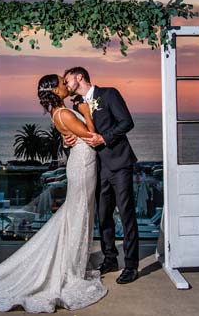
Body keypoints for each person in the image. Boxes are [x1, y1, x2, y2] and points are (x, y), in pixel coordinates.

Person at [0, 74, 107, 312]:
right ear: (55, 90)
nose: (65, 84)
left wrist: (69, 136)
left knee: (78, 214)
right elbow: (92, 138)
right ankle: (69, 267)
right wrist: (87, 113)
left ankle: (72, 262)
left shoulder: (58, 113)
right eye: (61, 82)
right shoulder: (65, 113)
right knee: (77, 214)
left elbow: (70, 135)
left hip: (82, 164)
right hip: (82, 166)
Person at [63, 66, 140, 285]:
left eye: (67, 80)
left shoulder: (109, 94)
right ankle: (110, 259)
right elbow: (77, 133)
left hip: (119, 163)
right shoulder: (76, 105)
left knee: (126, 214)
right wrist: (66, 142)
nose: (66, 85)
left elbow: (127, 122)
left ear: (80, 77)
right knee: (103, 215)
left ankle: (132, 265)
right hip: (96, 167)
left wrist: (104, 138)